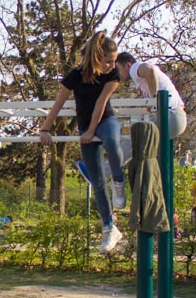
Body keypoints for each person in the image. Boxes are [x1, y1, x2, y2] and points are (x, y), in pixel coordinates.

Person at [39, 32, 125, 254]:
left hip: (106, 121)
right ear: (96, 57)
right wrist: (45, 129)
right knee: (96, 180)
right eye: (108, 61)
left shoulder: (112, 74)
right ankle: (109, 227)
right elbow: (58, 104)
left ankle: (119, 182)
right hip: (86, 127)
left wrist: (92, 130)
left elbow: (101, 103)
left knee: (112, 143)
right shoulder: (76, 76)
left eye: (114, 60)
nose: (112, 65)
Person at [115, 52, 187, 139]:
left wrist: (153, 100)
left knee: (132, 135)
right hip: (177, 116)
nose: (118, 74)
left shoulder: (134, 68)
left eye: (118, 69)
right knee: (147, 142)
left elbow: (149, 71)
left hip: (169, 115)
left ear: (128, 65)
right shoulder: (142, 76)